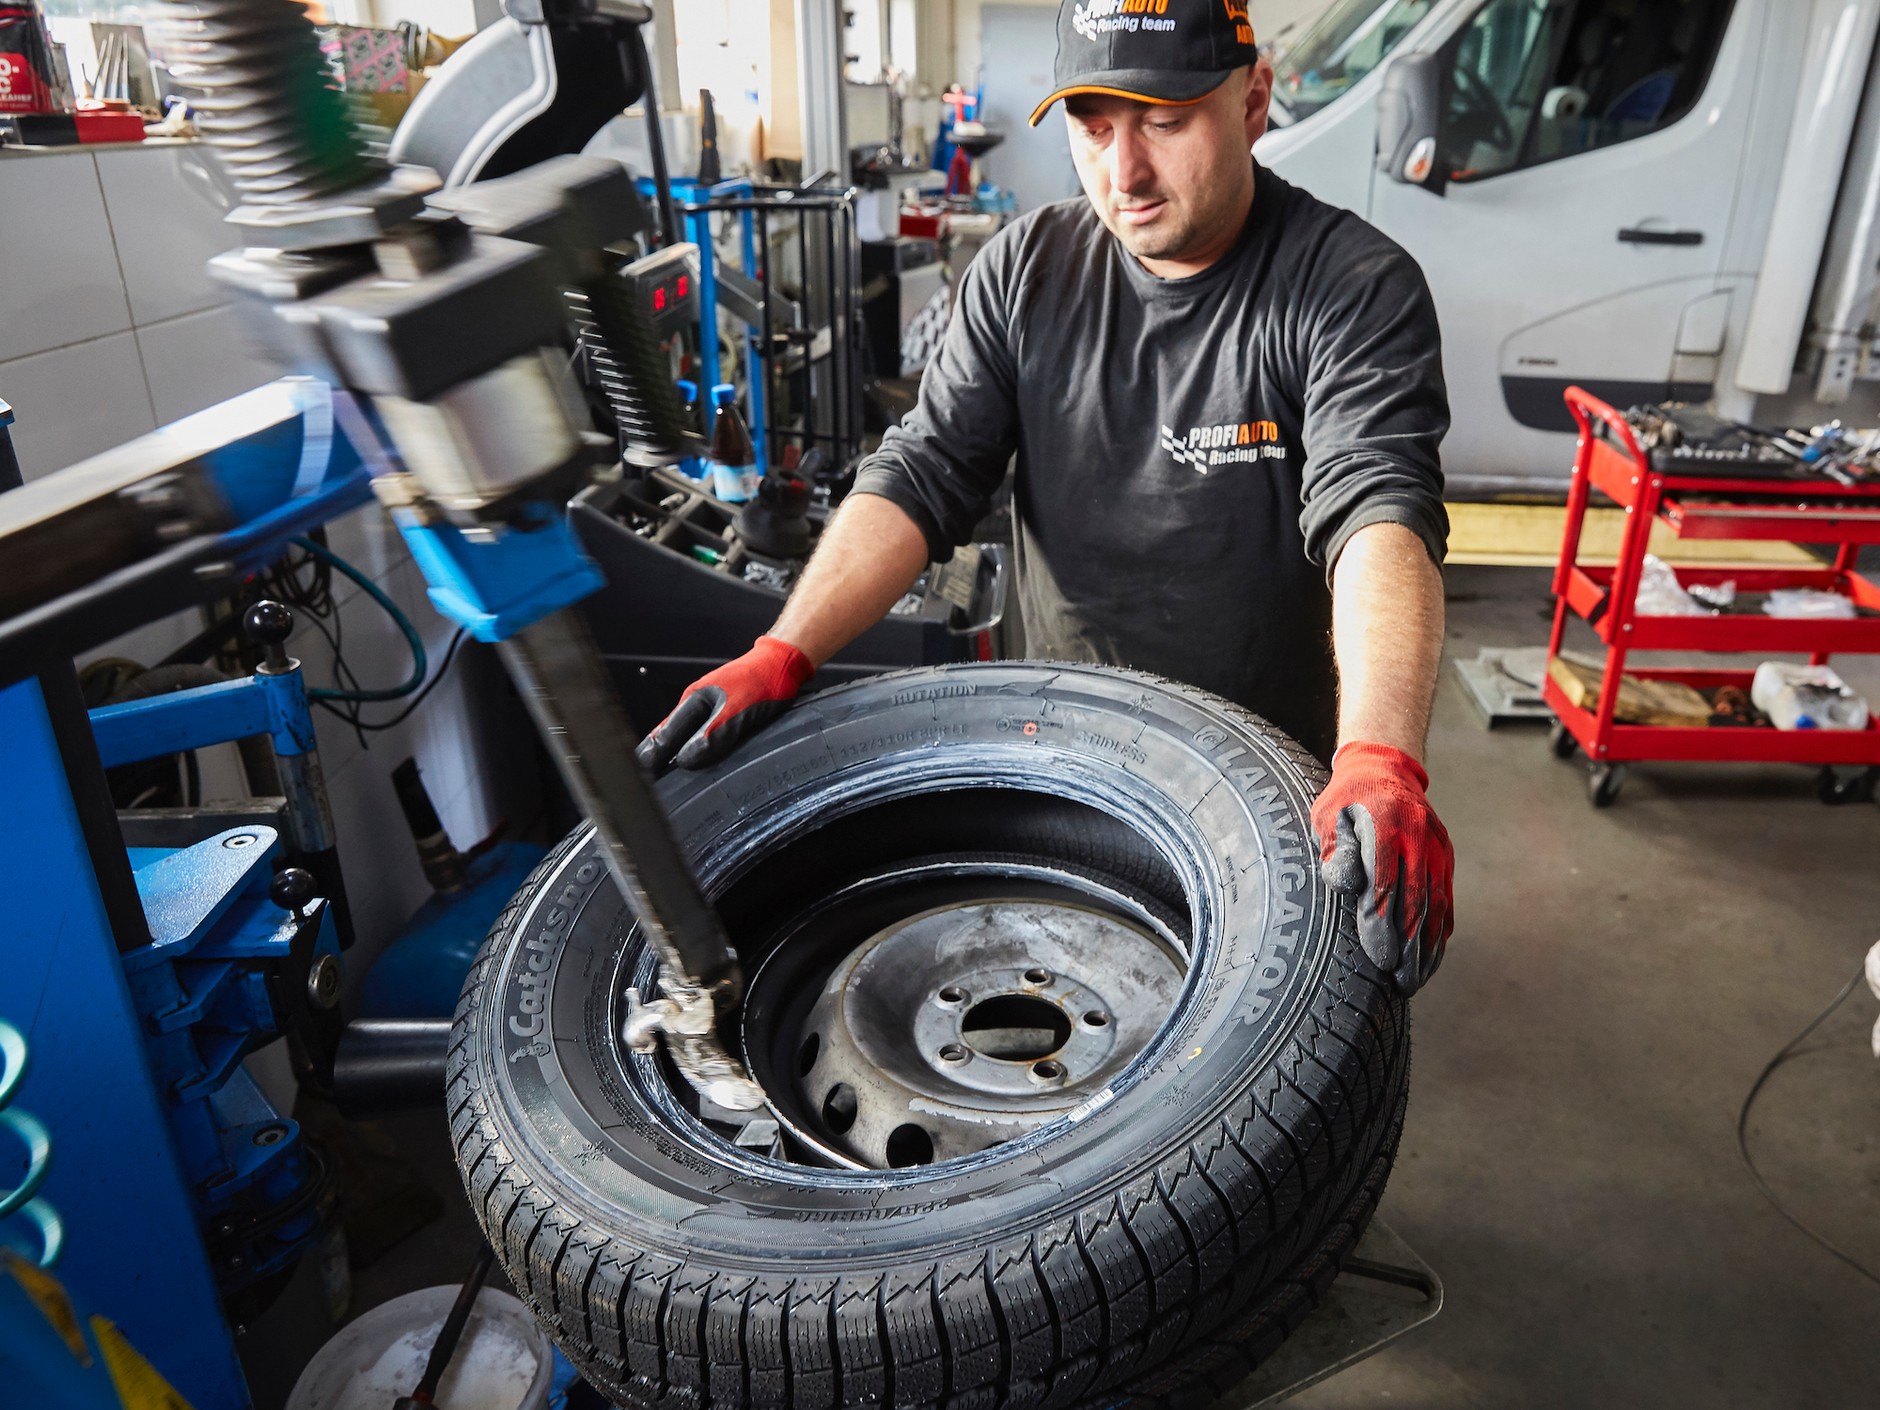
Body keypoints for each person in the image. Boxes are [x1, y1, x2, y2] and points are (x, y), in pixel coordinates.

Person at [639, 0, 1454, 994]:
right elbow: (923, 471)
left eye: (1163, 121)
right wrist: (784, 648)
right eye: (1093, 128)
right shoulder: (1024, 273)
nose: (1125, 173)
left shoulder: (1351, 286)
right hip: (1066, 753)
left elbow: (1376, 514)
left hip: (1274, 780)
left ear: (1251, 101)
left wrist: (1379, 756)